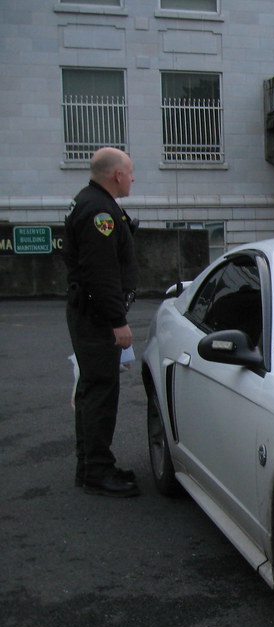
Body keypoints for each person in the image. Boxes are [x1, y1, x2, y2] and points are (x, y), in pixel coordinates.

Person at [63, 147, 140, 497]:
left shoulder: (94, 202)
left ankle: (91, 465)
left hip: (89, 313)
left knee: (92, 388)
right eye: (130, 172)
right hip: (96, 317)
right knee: (100, 391)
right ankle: (97, 470)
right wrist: (117, 321)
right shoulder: (99, 211)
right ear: (117, 175)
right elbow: (102, 273)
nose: (133, 178)